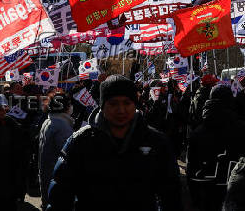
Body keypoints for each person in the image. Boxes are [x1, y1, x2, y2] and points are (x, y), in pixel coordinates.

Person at [47, 75, 182, 211]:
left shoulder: (157, 143)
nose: (121, 110)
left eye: (127, 103)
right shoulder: (80, 142)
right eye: (113, 103)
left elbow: (172, 196)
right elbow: (59, 197)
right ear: (102, 105)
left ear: (135, 104)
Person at [186, 84, 245, 211]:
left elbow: (191, 172)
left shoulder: (197, 133)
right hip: (239, 197)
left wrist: (195, 200)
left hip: (208, 196)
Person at [38, 93, 74, 210]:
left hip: (46, 175)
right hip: (57, 178)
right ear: (65, 106)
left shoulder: (49, 120)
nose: (71, 106)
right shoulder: (62, 125)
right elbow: (68, 155)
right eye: (70, 104)